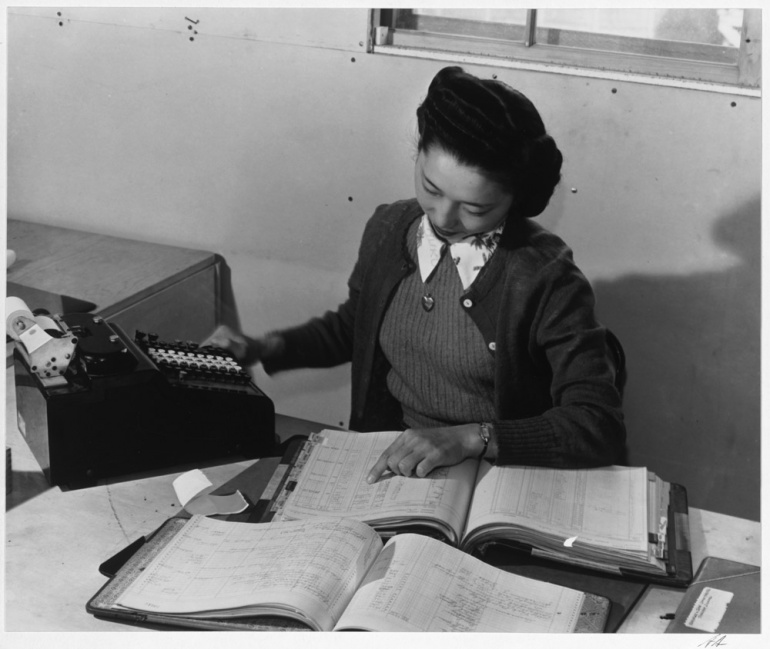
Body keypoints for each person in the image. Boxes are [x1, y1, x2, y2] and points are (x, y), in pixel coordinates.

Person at [206, 66, 625, 483]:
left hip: (501, 477)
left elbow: (596, 424)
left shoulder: (545, 277)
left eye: (476, 209)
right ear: (418, 152)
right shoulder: (389, 229)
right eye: (431, 187)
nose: (444, 217)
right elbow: (354, 327)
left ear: (514, 200)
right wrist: (260, 347)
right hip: (401, 467)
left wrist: (472, 437)